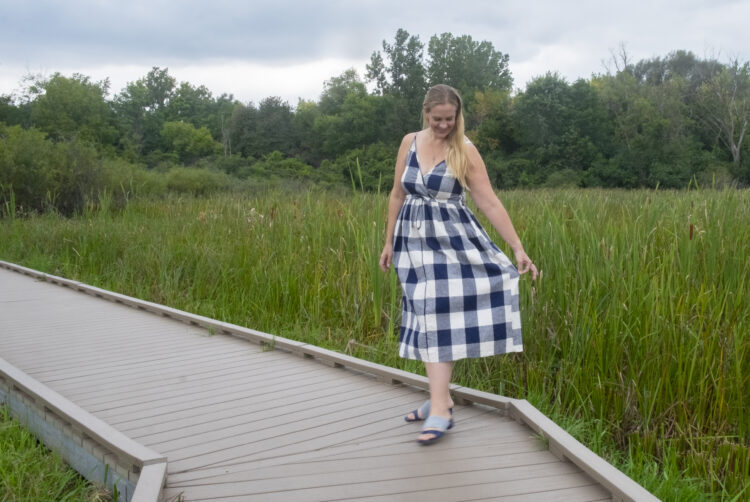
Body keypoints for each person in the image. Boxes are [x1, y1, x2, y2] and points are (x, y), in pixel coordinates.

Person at [379, 84, 538, 445]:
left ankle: (439, 408)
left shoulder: (465, 150)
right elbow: (397, 194)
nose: (443, 126)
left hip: (452, 243)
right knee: (422, 313)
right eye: (437, 119)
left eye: (450, 119)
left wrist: (517, 248)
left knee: (435, 312)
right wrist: (388, 241)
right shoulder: (409, 143)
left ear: (458, 116)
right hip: (412, 243)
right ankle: (443, 397)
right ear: (425, 114)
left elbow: (489, 202)